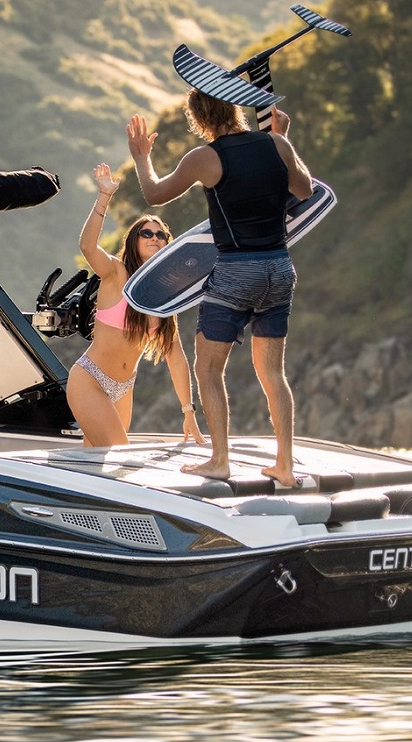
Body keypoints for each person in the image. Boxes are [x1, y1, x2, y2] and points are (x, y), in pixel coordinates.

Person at [126, 89, 313, 486]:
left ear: (199, 119)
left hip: (235, 271)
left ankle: (220, 460)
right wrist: (283, 139)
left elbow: (155, 194)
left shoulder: (205, 157)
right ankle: (285, 465)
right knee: (273, 372)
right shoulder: (276, 144)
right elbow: (306, 190)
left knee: (208, 369)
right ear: (234, 107)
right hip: (279, 268)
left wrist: (141, 156)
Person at [67, 163, 202, 448]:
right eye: (147, 233)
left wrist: (188, 412)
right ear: (134, 240)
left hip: (124, 388)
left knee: (96, 462)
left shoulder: (164, 296)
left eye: (160, 235)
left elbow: (176, 357)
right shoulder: (116, 273)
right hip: (90, 380)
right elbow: (87, 247)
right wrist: (104, 196)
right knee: (119, 454)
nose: (155, 238)